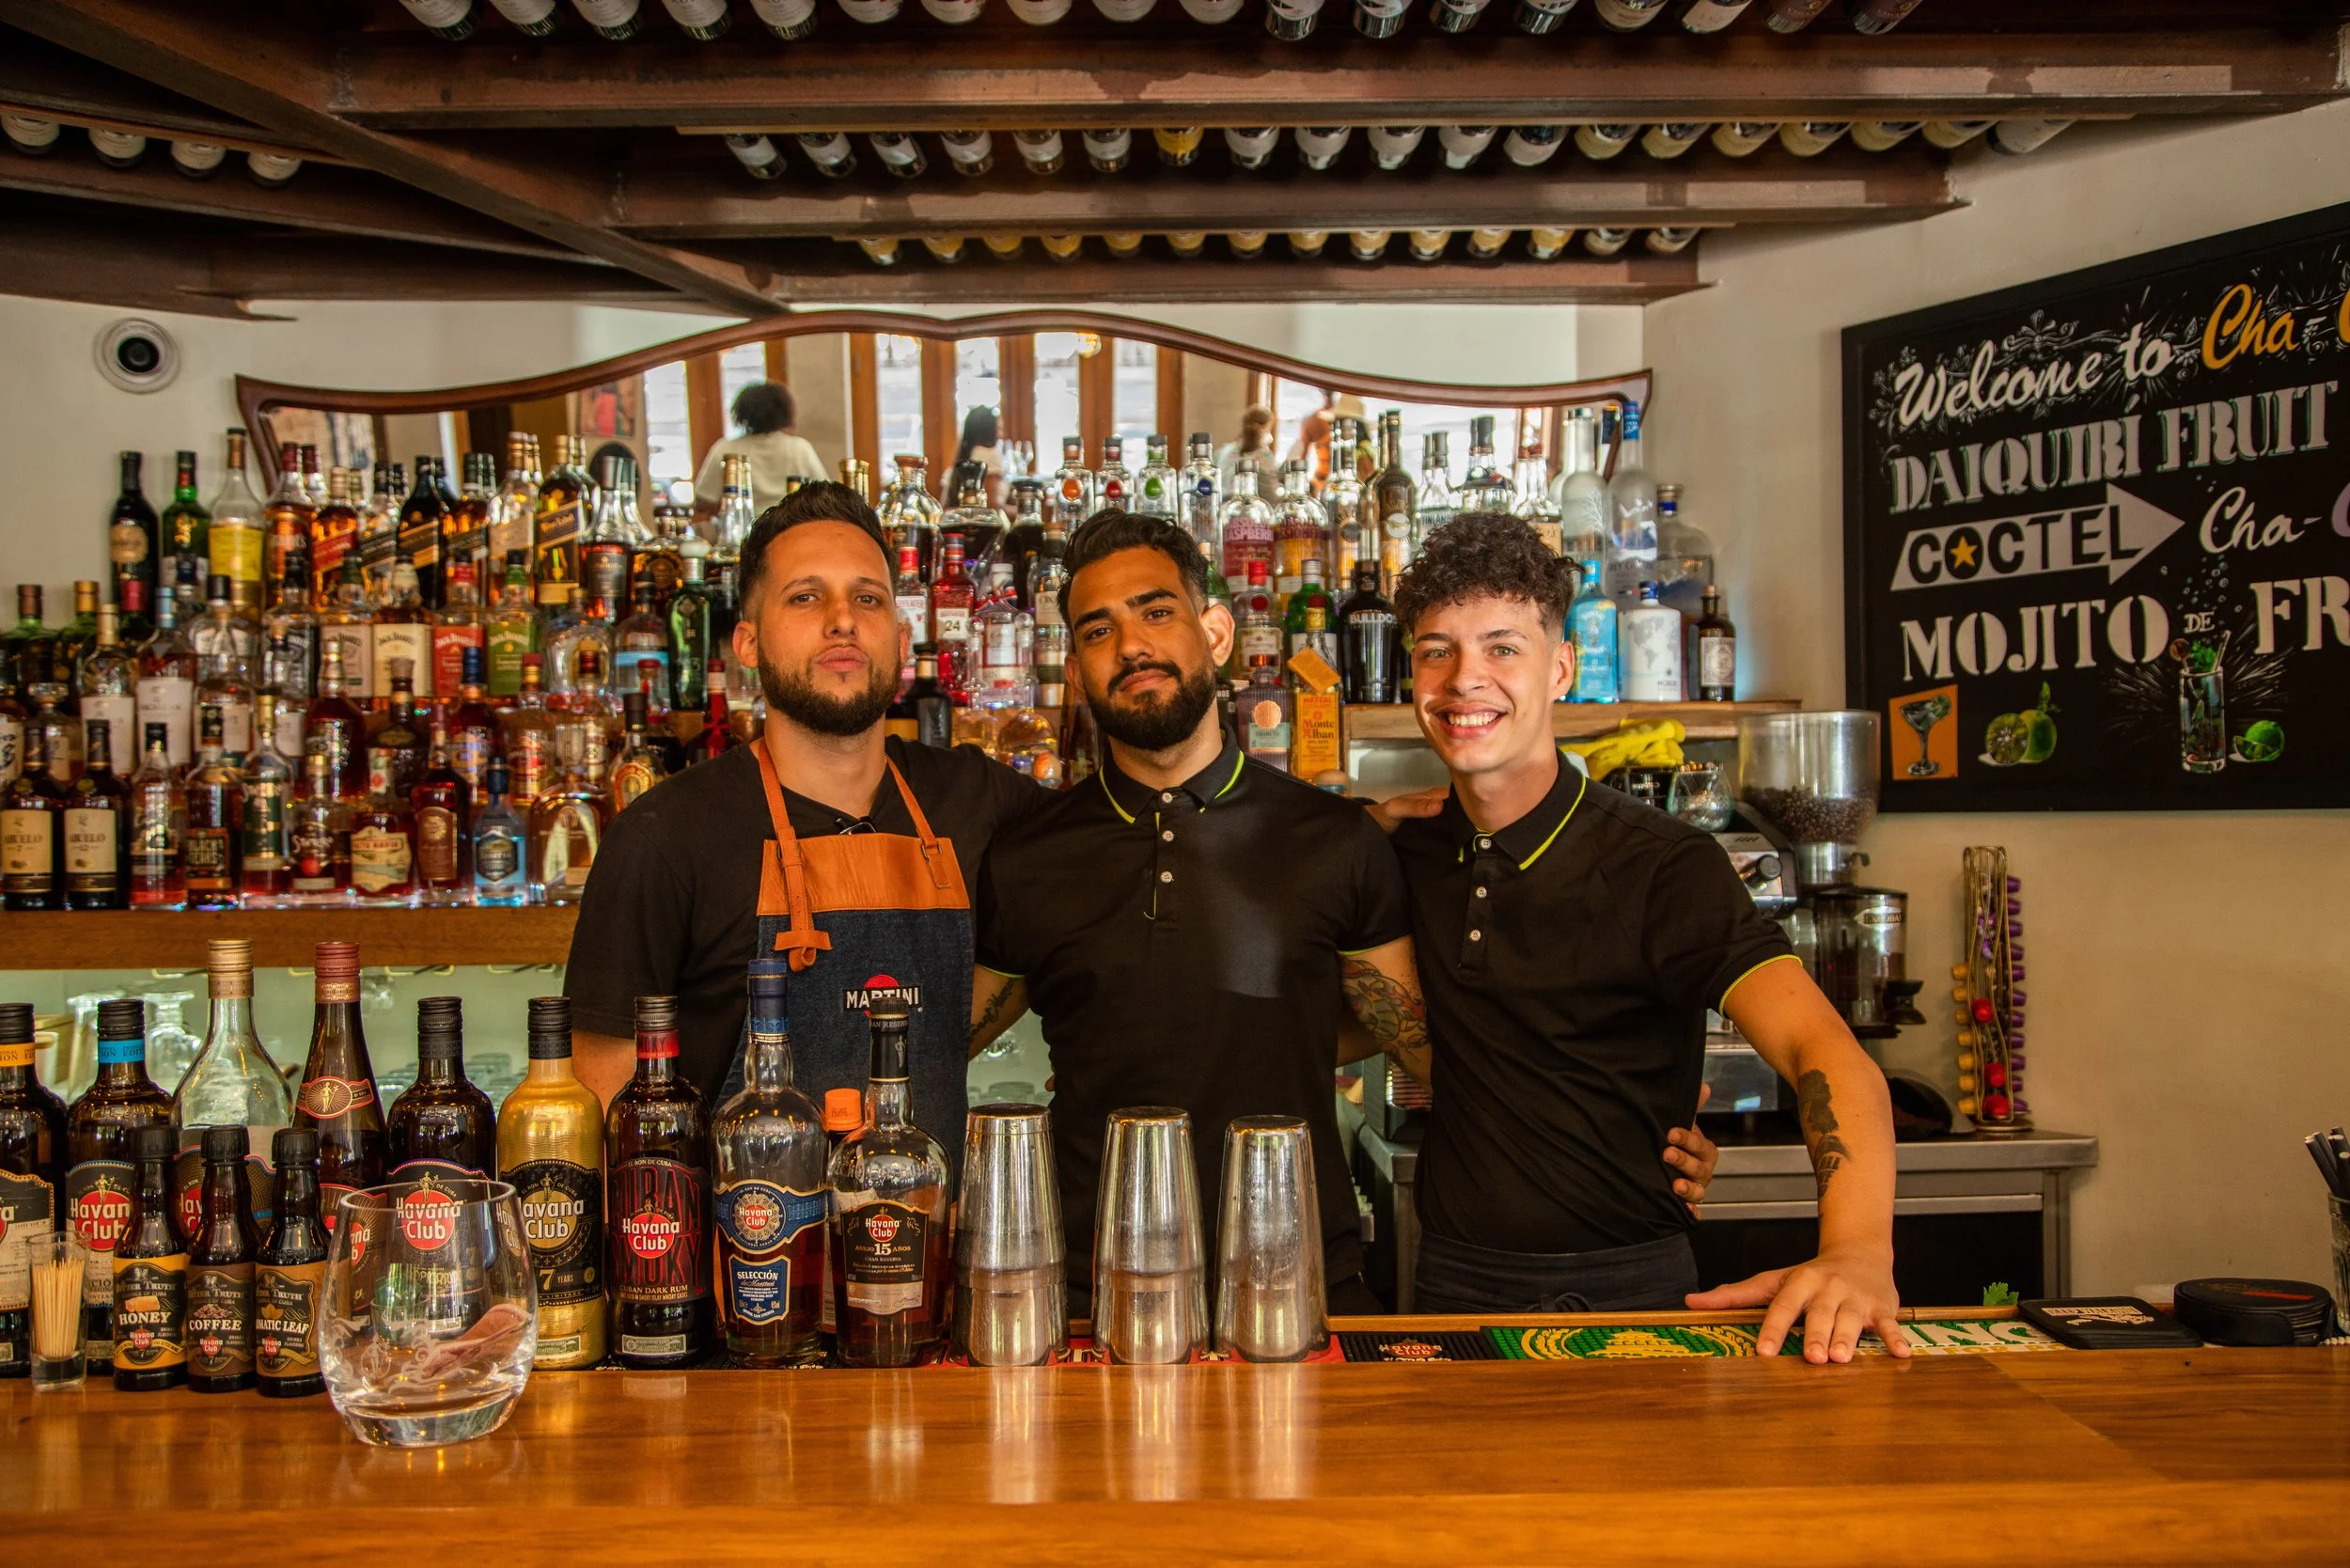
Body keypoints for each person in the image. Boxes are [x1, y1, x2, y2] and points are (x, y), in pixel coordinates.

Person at [967, 509, 1721, 1317]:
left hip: (1299, 1285)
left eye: (1157, 612)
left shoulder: (1334, 841)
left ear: (1217, 633)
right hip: (1088, 1294)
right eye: (1096, 630)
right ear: (1074, 670)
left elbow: (1436, 1053)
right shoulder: (1029, 857)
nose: (1132, 647)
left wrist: (1628, 1130)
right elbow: (942, 1045)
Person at [1375, 511, 1907, 1363]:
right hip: (1453, 1286)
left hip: (1629, 1287)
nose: (1464, 679)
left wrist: (1855, 1252)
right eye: (1437, 650)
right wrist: (1362, 822)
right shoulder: (1405, 852)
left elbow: (1825, 1050)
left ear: (1562, 668)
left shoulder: (1661, 864)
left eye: (1502, 648)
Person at [562, 483, 1049, 1171]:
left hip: (932, 1254)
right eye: (805, 597)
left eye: (868, 598)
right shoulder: (664, 836)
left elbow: (1102, 868)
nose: (843, 620)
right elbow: (601, 1100)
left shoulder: (976, 797)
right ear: (748, 643)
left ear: (903, 638)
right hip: (738, 1263)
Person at [694, 381, 828, 512]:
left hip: (744, 527)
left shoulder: (725, 449)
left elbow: (703, 500)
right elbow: (825, 493)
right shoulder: (799, 447)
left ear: (741, 412)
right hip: (789, 523)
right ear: (785, 411)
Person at [1214, 403, 1276, 503]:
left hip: (1222, 509)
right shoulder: (1264, 457)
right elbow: (1271, 497)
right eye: (1269, 430)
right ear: (1263, 429)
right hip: (1253, 513)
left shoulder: (1223, 451)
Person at [949, 406, 1004, 509]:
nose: (1001, 435)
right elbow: (993, 506)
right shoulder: (988, 454)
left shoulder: (962, 458)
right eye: (999, 429)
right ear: (988, 430)